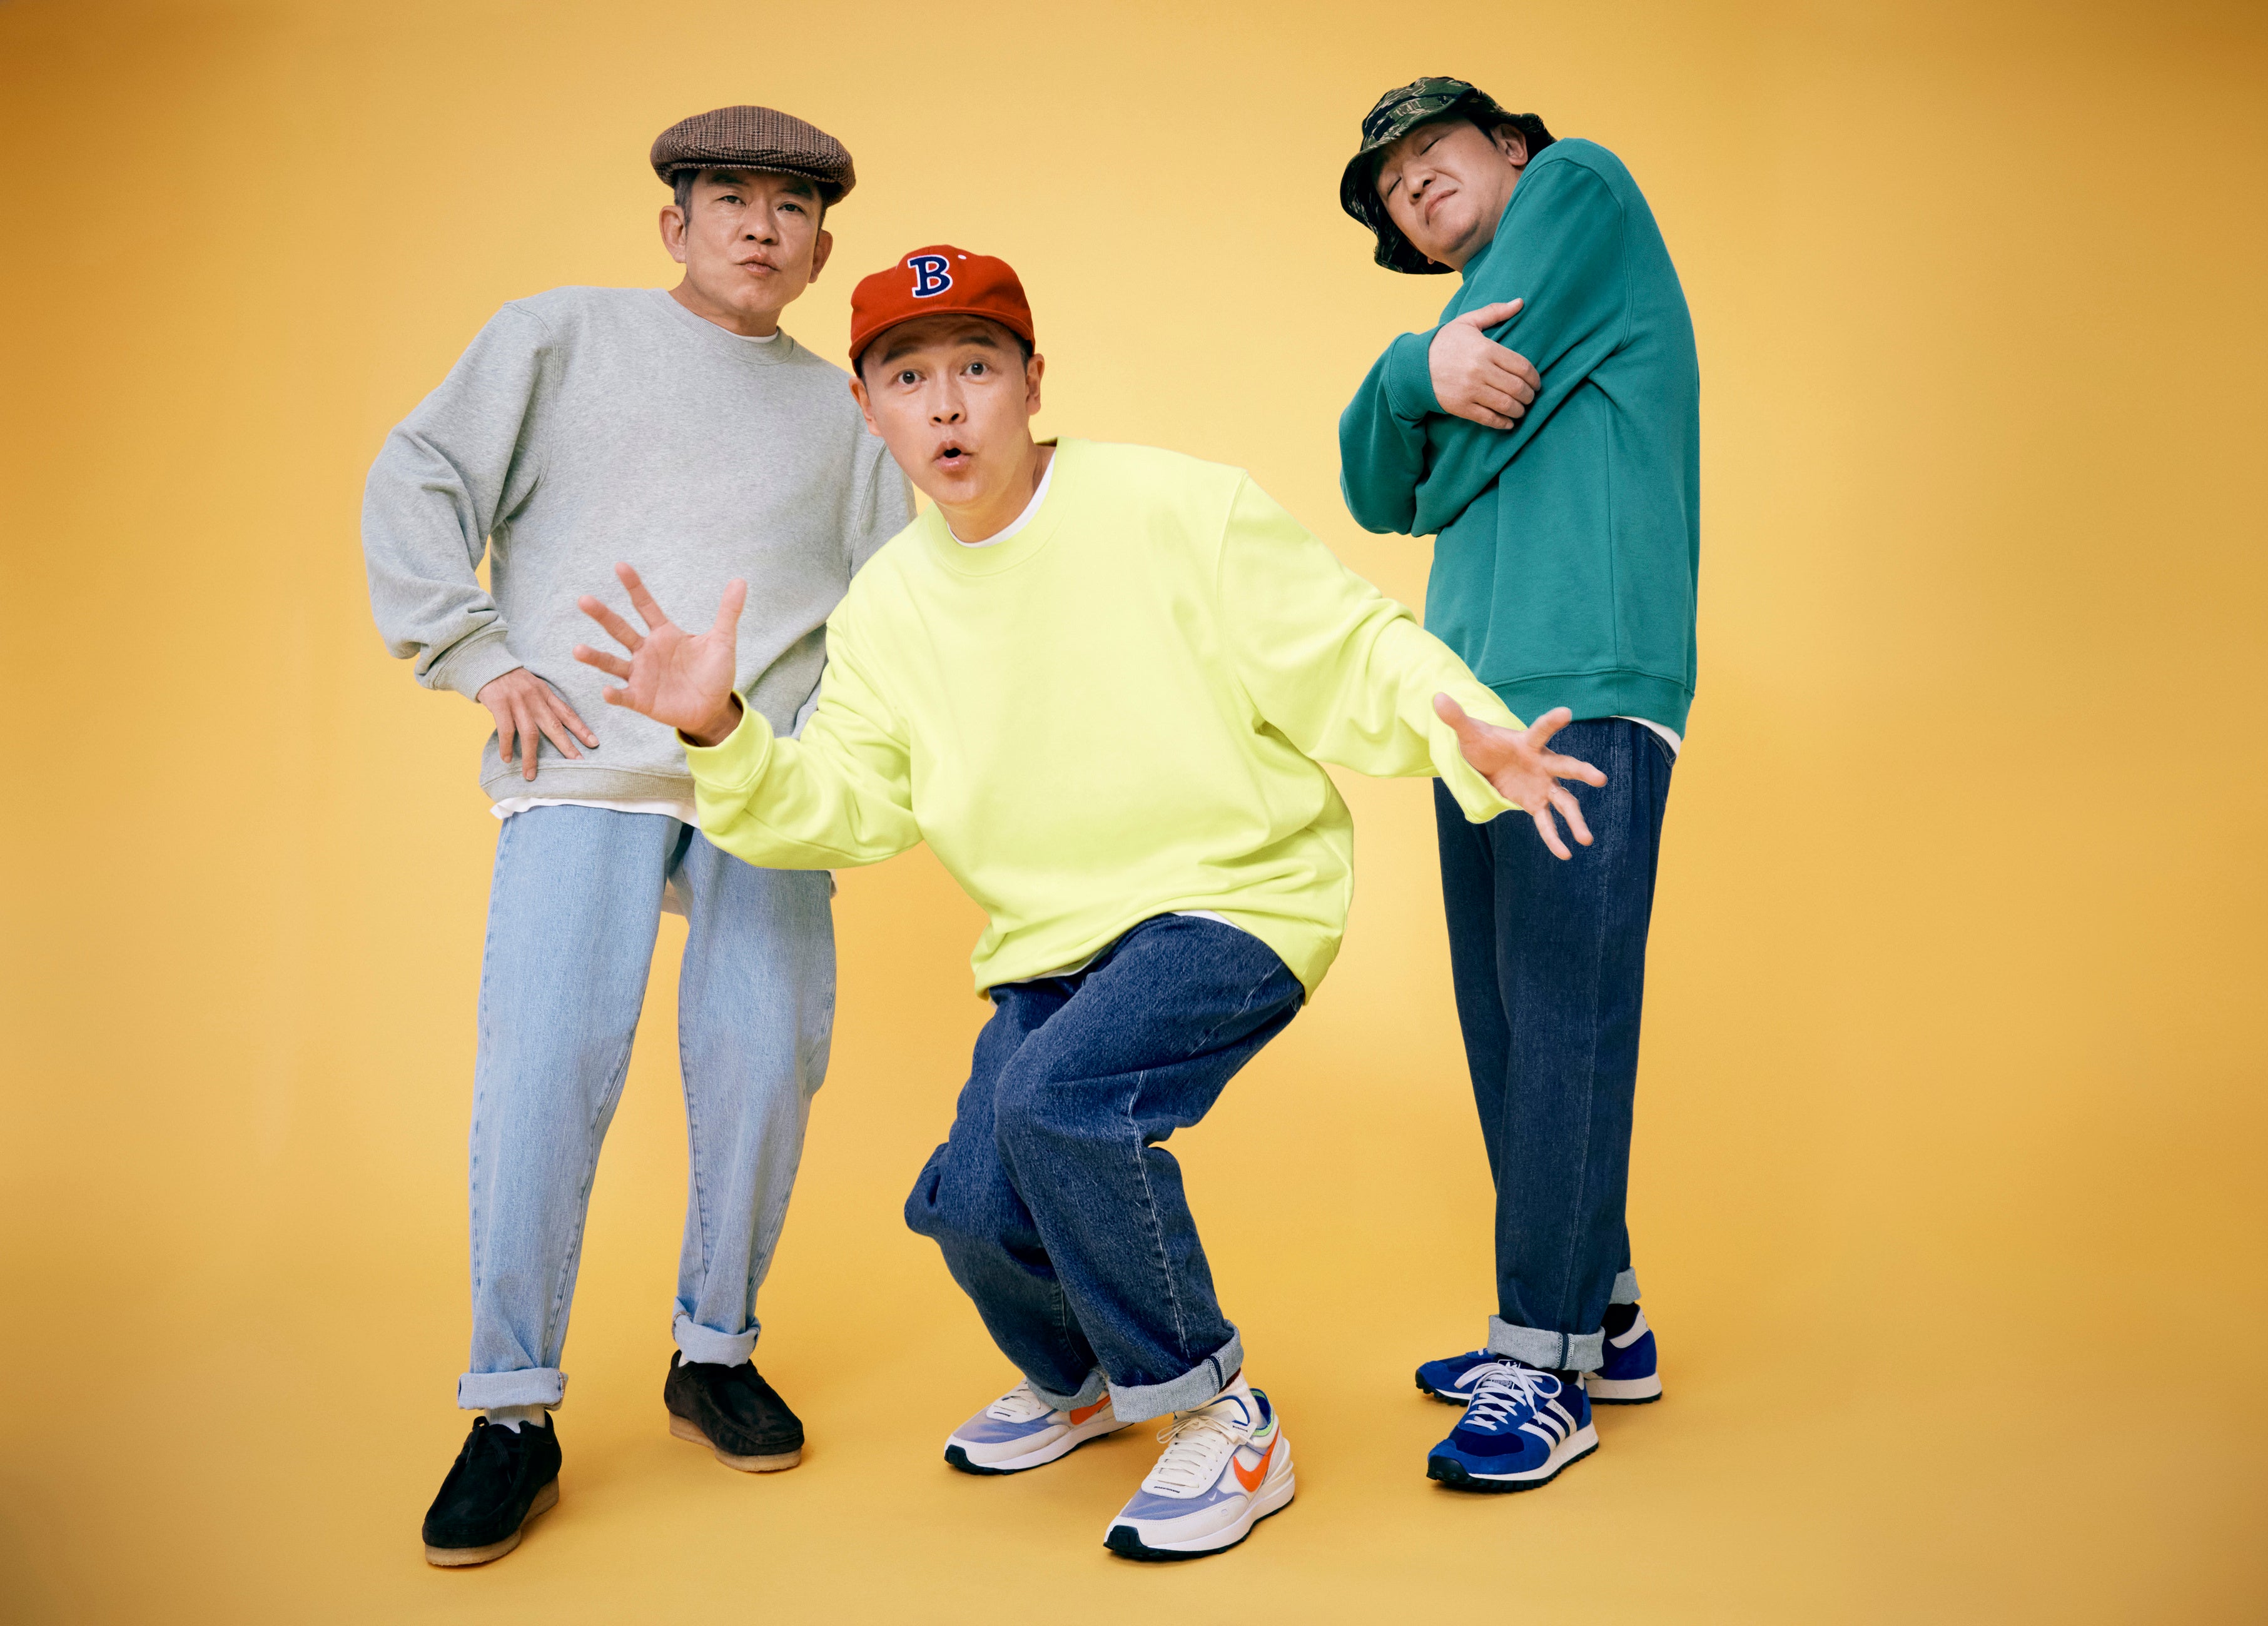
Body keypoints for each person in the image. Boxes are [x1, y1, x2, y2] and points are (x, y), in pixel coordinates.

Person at [570, 245, 1605, 1557]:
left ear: (1033, 382)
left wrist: (1472, 728)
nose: (949, 405)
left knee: (1058, 1103)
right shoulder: (886, 609)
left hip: (1236, 894)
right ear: (868, 408)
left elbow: (1346, 647)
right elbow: (849, 804)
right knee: (969, 1205)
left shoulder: (1176, 507)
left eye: (977, 368)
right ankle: (1089, 1377)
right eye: (910, 379)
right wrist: (721, 732)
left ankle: (1220, 1412)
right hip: (1053, 944)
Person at [360, 106, 911, 1566]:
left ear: (822, 248)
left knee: (766, 1055)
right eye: (729, 198)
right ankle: (510, 1410)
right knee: (545, 1067)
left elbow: (891, 604)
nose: (760, 226)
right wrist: (479, 654)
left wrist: (830, 758)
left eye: (791, 208)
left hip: (759, 782)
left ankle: (713, 1353)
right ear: (675, 222)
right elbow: (419, 475)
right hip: (586, 763)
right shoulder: (560, 337)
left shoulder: (844, 415)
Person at [1335, 76, 1701, 1492]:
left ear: (1511, 147)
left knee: (1563, 1016)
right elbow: (1379, 491)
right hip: (1476, 711)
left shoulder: (1581, 189)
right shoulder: (1456, 326)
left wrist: (1429, 417)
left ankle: (1541, 1359)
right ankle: (1603, 1315)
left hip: (1586, 683)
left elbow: (1421, 484)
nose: (1415, 183)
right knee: (1508, 1025)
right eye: (1392, 186)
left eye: (1436, 150)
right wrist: (1411, 380)